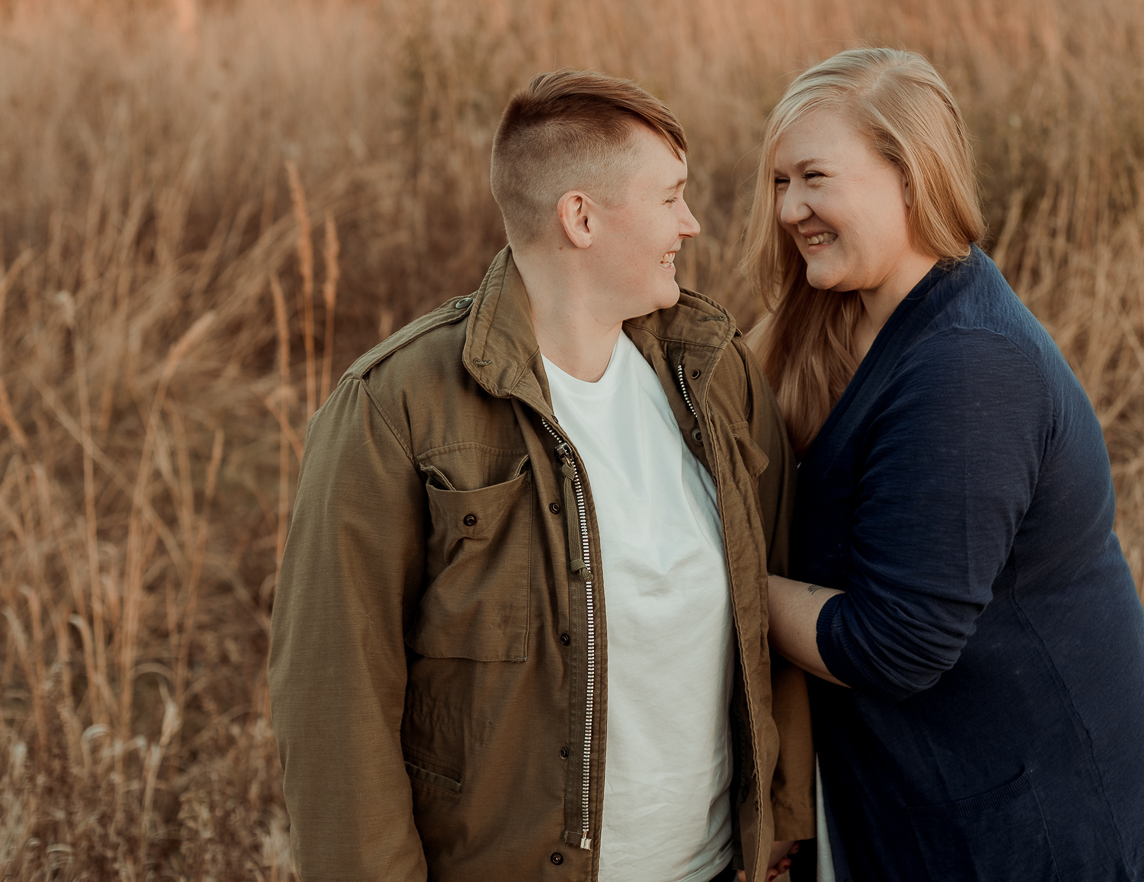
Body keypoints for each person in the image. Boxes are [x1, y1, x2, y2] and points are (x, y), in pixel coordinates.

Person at [269, 70, 813, 882]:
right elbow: (334, 704)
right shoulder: (394, 409)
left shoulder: (714, 373)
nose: (692, 224)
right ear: (581, 217)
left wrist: (783, 816)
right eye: (670, 198)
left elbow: (771, 594)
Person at [746, 48, 1144, 882]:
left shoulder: (970, 367)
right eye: (779, 182)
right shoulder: (852, 321)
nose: (790, 208)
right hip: (935, 796)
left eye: (814, 177)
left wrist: (714, 577)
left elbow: (895, 644)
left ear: (910, 177)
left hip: (1041, 825)